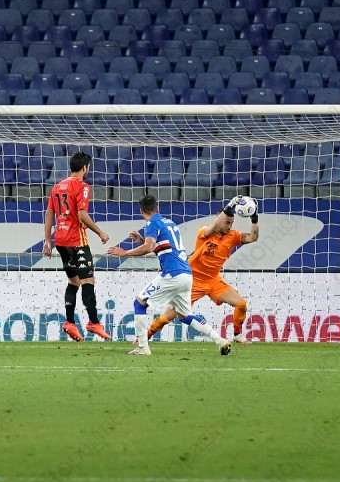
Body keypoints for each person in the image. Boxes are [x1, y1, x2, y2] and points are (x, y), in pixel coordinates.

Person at [107, 194, 232, 356]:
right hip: (186, 275)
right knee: (185, 315)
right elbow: (162, 247)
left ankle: (143, 347)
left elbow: (149, 247)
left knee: (139, 303)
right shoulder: (169, 222)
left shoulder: (152, 223)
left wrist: (125, 253)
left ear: (141, 211)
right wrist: (142, 240)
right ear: (157, 208)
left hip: (172, 274)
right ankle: (220, 340)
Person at [145, 196, 260, 344]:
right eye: (227, 222)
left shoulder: (233, 236)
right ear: (218, 220)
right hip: (193, 281)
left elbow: (253, 238)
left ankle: (237, 335)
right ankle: (147, 334)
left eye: (231, 223)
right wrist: (228, 207)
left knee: (241, 304)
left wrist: (254, 218)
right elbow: (214, 227)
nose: (229, 226)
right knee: (170, 315)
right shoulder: (204, 232)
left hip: (213, 281)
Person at [43, 151, 111, 341]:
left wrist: (47, 241)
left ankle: (69, 322)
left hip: (60, 241)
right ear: (85, 168)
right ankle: (94, 322)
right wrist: (100, 232)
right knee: (88, 281)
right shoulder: (82, 186)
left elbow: (49, 214)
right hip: (77, 241)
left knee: (73, 281)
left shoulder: (57, 187)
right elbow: (82, 214)